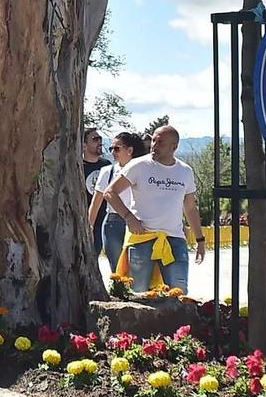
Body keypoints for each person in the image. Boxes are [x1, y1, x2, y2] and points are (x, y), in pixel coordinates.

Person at [102, 124, 206, 294]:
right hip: (142, 238)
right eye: (154, 141)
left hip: (174, 240)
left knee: (178, 293)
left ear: (174, 147)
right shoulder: (139, 165)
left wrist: (200, 240)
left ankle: (178, 321)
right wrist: (128, 217)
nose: (154, 146)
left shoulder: (185, 171)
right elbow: (110, 192)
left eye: (161, 142)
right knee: (139, 294)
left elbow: (190, 208)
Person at [85, 131, 145, 279]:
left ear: (130, 150)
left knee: (138, 265)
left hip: (138, 222)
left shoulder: (143, 170)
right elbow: (96, 202)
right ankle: (120, 293)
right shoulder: (107, 171)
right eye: (111, 149)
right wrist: (89, 229)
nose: (113, 152)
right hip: (113, 222)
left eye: (116, 148)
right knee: (118, 268)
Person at [76, 127, 107, 256]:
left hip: (102, 220)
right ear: (83, 146)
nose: (99, 142)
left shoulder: (107, 165)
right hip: (81, 221)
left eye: (100, 139)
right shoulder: (76, 167)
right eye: (95, 139)